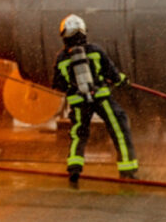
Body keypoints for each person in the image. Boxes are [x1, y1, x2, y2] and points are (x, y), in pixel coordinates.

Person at [53, 13, 138, 186]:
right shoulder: (95, 51)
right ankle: (127, 169)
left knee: (79, 134)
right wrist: (122, 80)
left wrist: (74, 88)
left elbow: (57, 84)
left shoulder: (61, 58)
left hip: (78, 103)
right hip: (101, 98)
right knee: (119, 128)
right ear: (83, 31)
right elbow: (112, 73)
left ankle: (74, 169)